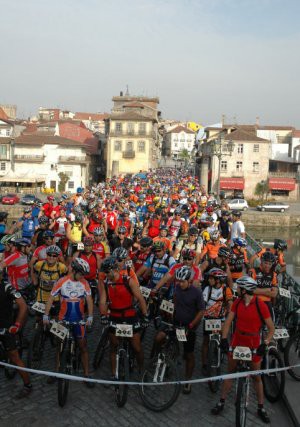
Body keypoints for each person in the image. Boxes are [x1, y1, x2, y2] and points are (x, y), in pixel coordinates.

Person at [211, 276, 275, 424]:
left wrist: (264, 343)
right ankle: (221, 401)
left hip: (253, 342)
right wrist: (225, 339)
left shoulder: (261, 305)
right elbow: (227, 322)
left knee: (256, 377)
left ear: (244, 290)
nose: (236, 290)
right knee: (230, 372)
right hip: (238, 340)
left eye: (239, 288)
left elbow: (271, 328)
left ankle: (260, 407)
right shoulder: (237, 303)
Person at [152, 266, 205, 394]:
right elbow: (175, 303)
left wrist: (191, 326)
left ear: (189, 281)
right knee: (159, 337)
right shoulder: (177, 288)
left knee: (189, 355)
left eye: (182, 281)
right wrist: (168, 312)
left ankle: (188, 381)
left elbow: (201, 311)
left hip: (188, 327)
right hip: (176, 323)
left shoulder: (197, 292)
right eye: (178, 281)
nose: (180, 284)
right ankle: (157, 358)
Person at [43, 258, 95, 386]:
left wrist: (90, 316)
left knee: (83, 347)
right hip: (63, 319)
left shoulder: (85, 283)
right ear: (75, 270)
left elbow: (89, 300)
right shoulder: (62, 281)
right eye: (81, 273)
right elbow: (50, 298)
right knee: (60, 346)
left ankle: (86, 375)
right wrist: (46, 315)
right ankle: (56, 372)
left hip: (79, 320)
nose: (83, 276)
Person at [99, 256, 148, 377]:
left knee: (137, 348)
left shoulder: (128, 280)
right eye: (104, 272)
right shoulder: (106, 283)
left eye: (107, 272)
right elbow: (102, 301)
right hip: (115, 316)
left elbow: (141, 299)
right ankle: (113, 374)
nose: (105, 274)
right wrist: (103, 315)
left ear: (114, 269)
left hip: (130, 316)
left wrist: (145, 315)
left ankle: (142, 370)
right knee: (113, 347)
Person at [0, 278, 32, 398]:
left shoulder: (7, 287)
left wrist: (17, 324)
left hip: (6, 328)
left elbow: (23, 306)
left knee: (14, 357)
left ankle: (27, 385)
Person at [201, 268, 233, 374]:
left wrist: (229, 315)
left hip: (221, 319)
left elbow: (230, 304)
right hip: (208, 318)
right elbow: (203, 304)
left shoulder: (226, 290)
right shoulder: (207, 289)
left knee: (223, 336)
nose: (209, 280)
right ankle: (204, 363)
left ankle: (222, 350)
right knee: (205, 341)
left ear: (218, 280)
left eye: (211, 278)